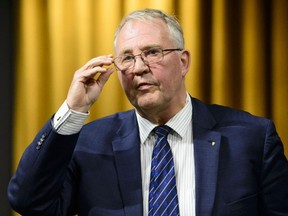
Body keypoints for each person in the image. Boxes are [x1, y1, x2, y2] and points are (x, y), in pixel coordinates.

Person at [8, 8, 288, 216]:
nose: (138, 68)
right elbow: (29, 202)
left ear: (183, 61)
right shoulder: (88, 143)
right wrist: (73, 109)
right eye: (127, 58)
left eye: (152, 52)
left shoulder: (251, 138)